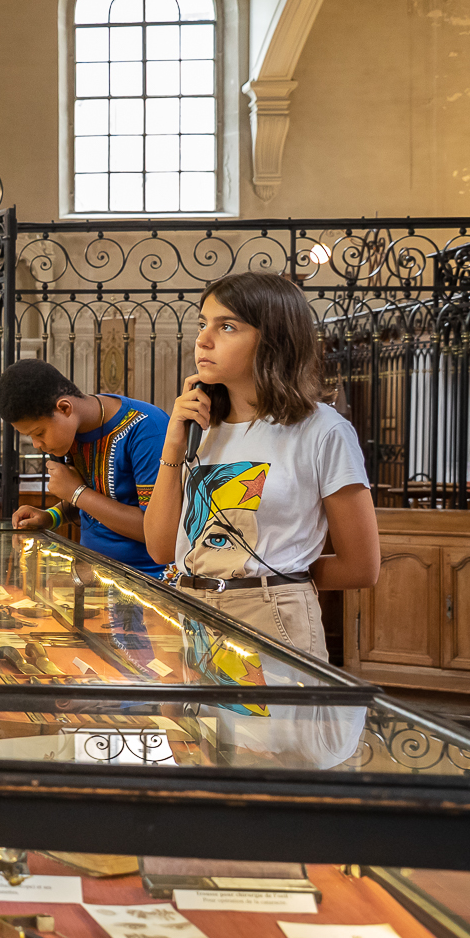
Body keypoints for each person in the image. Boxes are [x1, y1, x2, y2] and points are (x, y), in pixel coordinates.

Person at [142, 272, 380, 658]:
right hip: (192, 614)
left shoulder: (322, 430)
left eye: (227, 326)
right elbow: (160, 548)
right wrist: (173, 445)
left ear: (272, 339)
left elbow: (362, 567)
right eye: (203, 324)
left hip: (271, 615)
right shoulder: (200, 428)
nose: (203, 339)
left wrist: (278, 579)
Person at [0, 359, 168, 578]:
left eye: (39, 433)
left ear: (64, 408)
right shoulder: (71, 435)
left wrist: (76, 492)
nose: (37, 444)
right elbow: (92, 507)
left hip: (148, 582)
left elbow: (157, 534)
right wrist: (51, 517)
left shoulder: (147, 430)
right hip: (90, 576)